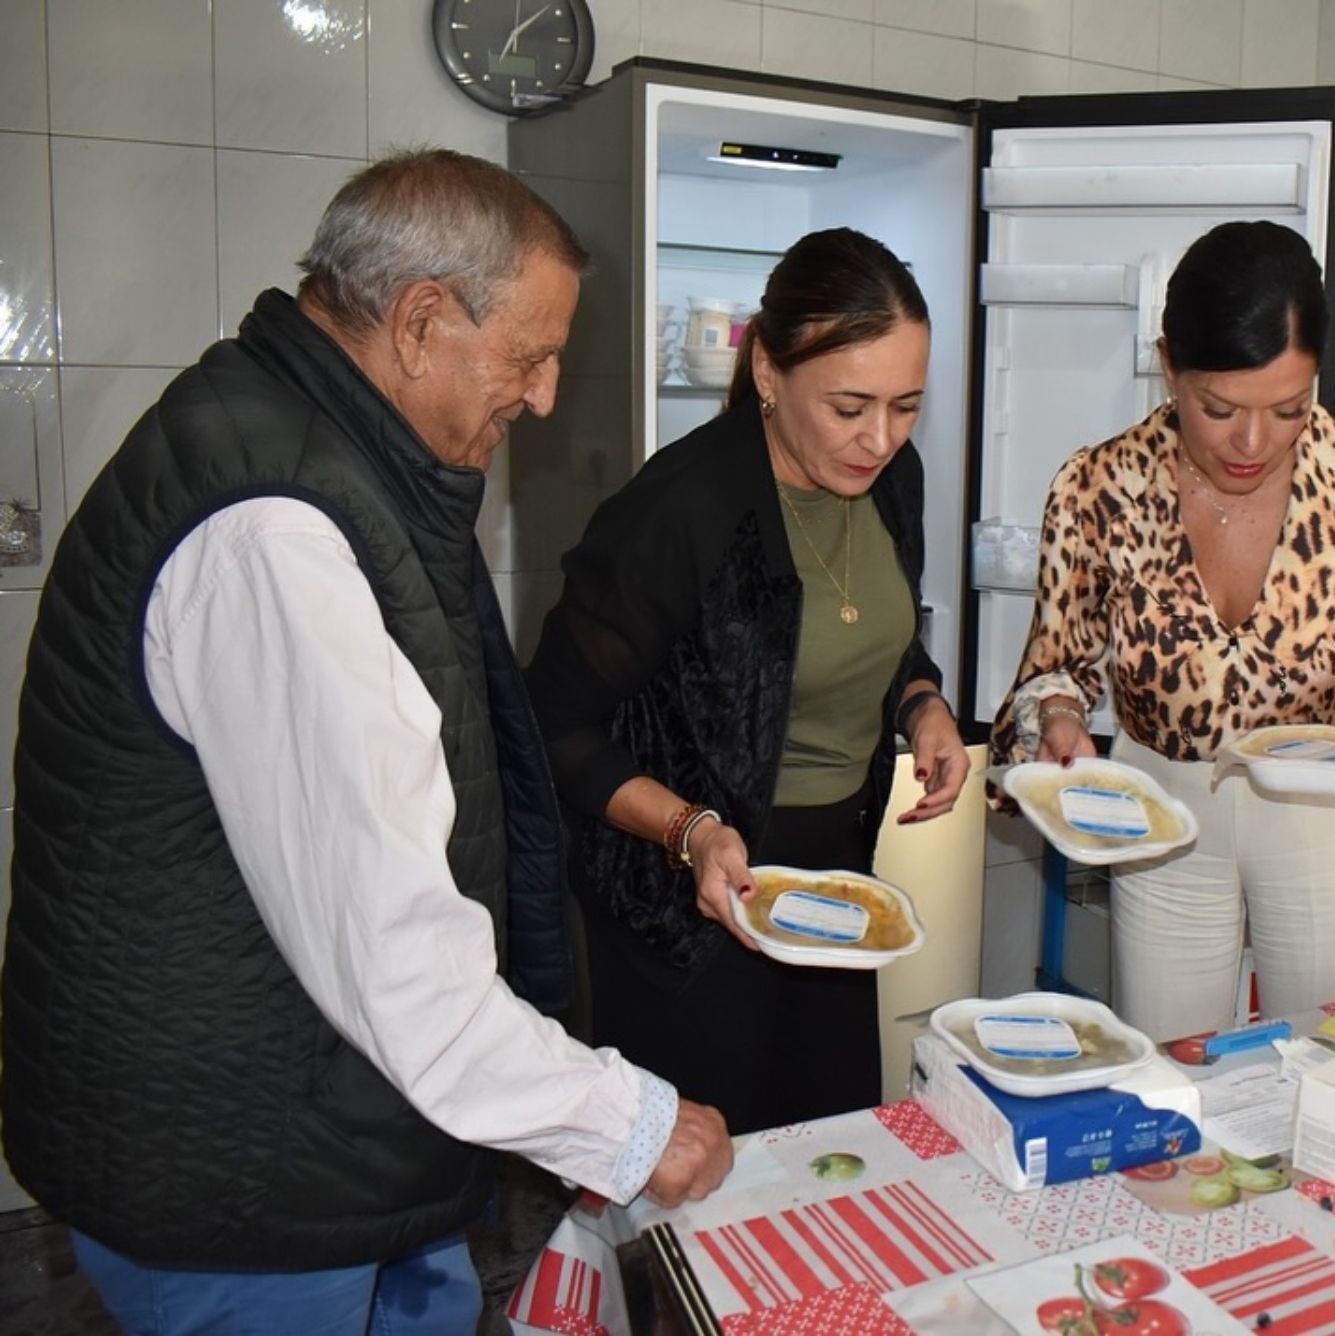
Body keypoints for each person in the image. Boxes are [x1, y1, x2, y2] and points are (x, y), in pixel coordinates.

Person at [0, 150, 733, 1333]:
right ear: (420, 321)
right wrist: (627, 1124)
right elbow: (388, 945)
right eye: (530, 355)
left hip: (340, 1135)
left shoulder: (334, 455)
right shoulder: (272, 529)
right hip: (241, 1184)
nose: (545, 396)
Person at [990, 221, 1335, 1043]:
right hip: (1166, 820)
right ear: (1169, 364)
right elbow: (1057, 668)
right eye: (1218, 409)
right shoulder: (1098, 486)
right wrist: (1064, 725)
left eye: (1289, 408)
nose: (1252, 443)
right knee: (1176, 1068)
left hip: (1331, 812)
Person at [526, 227, 969, 1135]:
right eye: (849, 407)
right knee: (703, 1188)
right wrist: (690, 829)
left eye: (907, 407)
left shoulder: (894, 482)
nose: (879, 439)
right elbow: (554, 726)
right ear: (767, 370)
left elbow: (865, 636)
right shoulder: (681, 510)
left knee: (831, 1160)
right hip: (685, 910)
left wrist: (922, 703)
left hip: (835, 888)